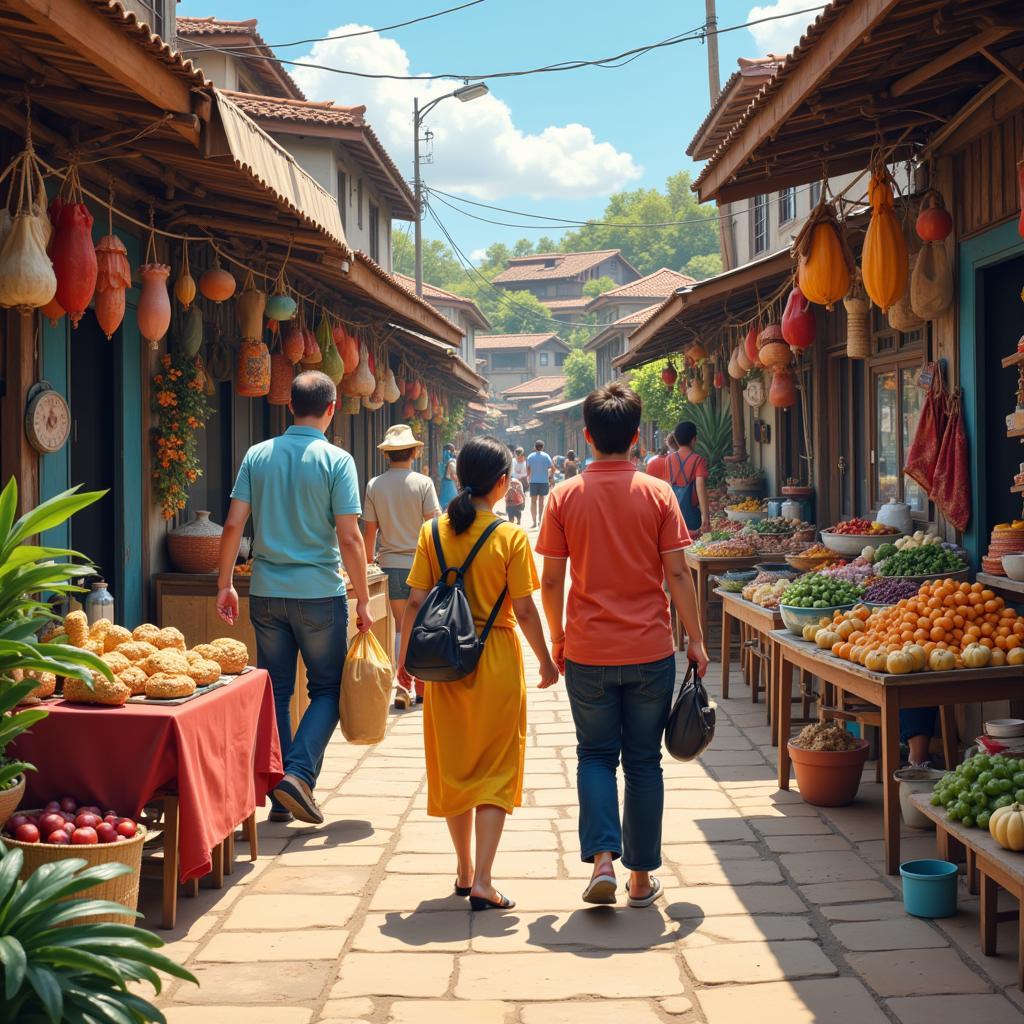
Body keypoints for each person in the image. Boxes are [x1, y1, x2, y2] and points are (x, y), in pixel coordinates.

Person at [537, 381, 708, 908]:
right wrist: (696, 642)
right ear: (636, 438)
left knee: (593, 756)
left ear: (587, 437)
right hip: (650, 650)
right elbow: (678, 575)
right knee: (642, 763)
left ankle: (602, 861)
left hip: (588, 651)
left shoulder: (565, 495)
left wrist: (559, 639)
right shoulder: (656, 493)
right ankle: (639, 881)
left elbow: (549, 582)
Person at [398, 437, 558, 911]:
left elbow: (413, 602)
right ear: (505, 484)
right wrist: (547, 662)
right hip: (495, 662)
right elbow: (525, 611)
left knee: (456, 766)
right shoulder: (509, 537)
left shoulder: (433, 532)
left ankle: (465, 870)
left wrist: (408, 664)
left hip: (444, 666)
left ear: (457, 476)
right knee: (496, 767)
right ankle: (485, 878)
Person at [217, 370, 373, 825]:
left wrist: (225, 583)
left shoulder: (257, 455)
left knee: (278, 691)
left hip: (265, 591)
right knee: (328, 688)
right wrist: (363, 599)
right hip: (320, 594)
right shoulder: (337, 460)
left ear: (289, 407)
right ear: (331, 408)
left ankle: (283, 790)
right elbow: (350, 538)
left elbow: (232, 525)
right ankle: (298, 775)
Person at [363, 424, 440, 710]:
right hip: (423, 564)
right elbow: (433, 527)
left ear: (388, 454)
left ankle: (402, 685)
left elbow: (369, 532)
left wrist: (366, 563)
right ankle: (421, 686)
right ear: (414, 451)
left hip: (391, 564)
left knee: (400, 628)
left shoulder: (375, 485)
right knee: (422, 626)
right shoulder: (423, 484)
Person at [668, 421, 709, 535]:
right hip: (692, 516)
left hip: (674, 514)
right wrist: (705, 518)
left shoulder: (669, 460)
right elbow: (700, 487)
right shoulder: (698, 460)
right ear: (694, 439)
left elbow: (667, 486)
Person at [526, 440, 554, 527]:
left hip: (533, 482)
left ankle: (534, 522)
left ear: (535, 446)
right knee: (541, 502)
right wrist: (550, 476)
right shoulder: (546, 456)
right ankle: (540, 521)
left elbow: (528, 469)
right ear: (543, 447)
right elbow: (553, 468)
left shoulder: (530, 456)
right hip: (543, 481)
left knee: (533, 502)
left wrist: (529, 477)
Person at [439, 443, 458, 507]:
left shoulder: (444, 460)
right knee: (451, 502)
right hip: (449, 485)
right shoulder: (451, 461)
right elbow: (455, 473)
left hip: (445, 482)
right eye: (453, 449)